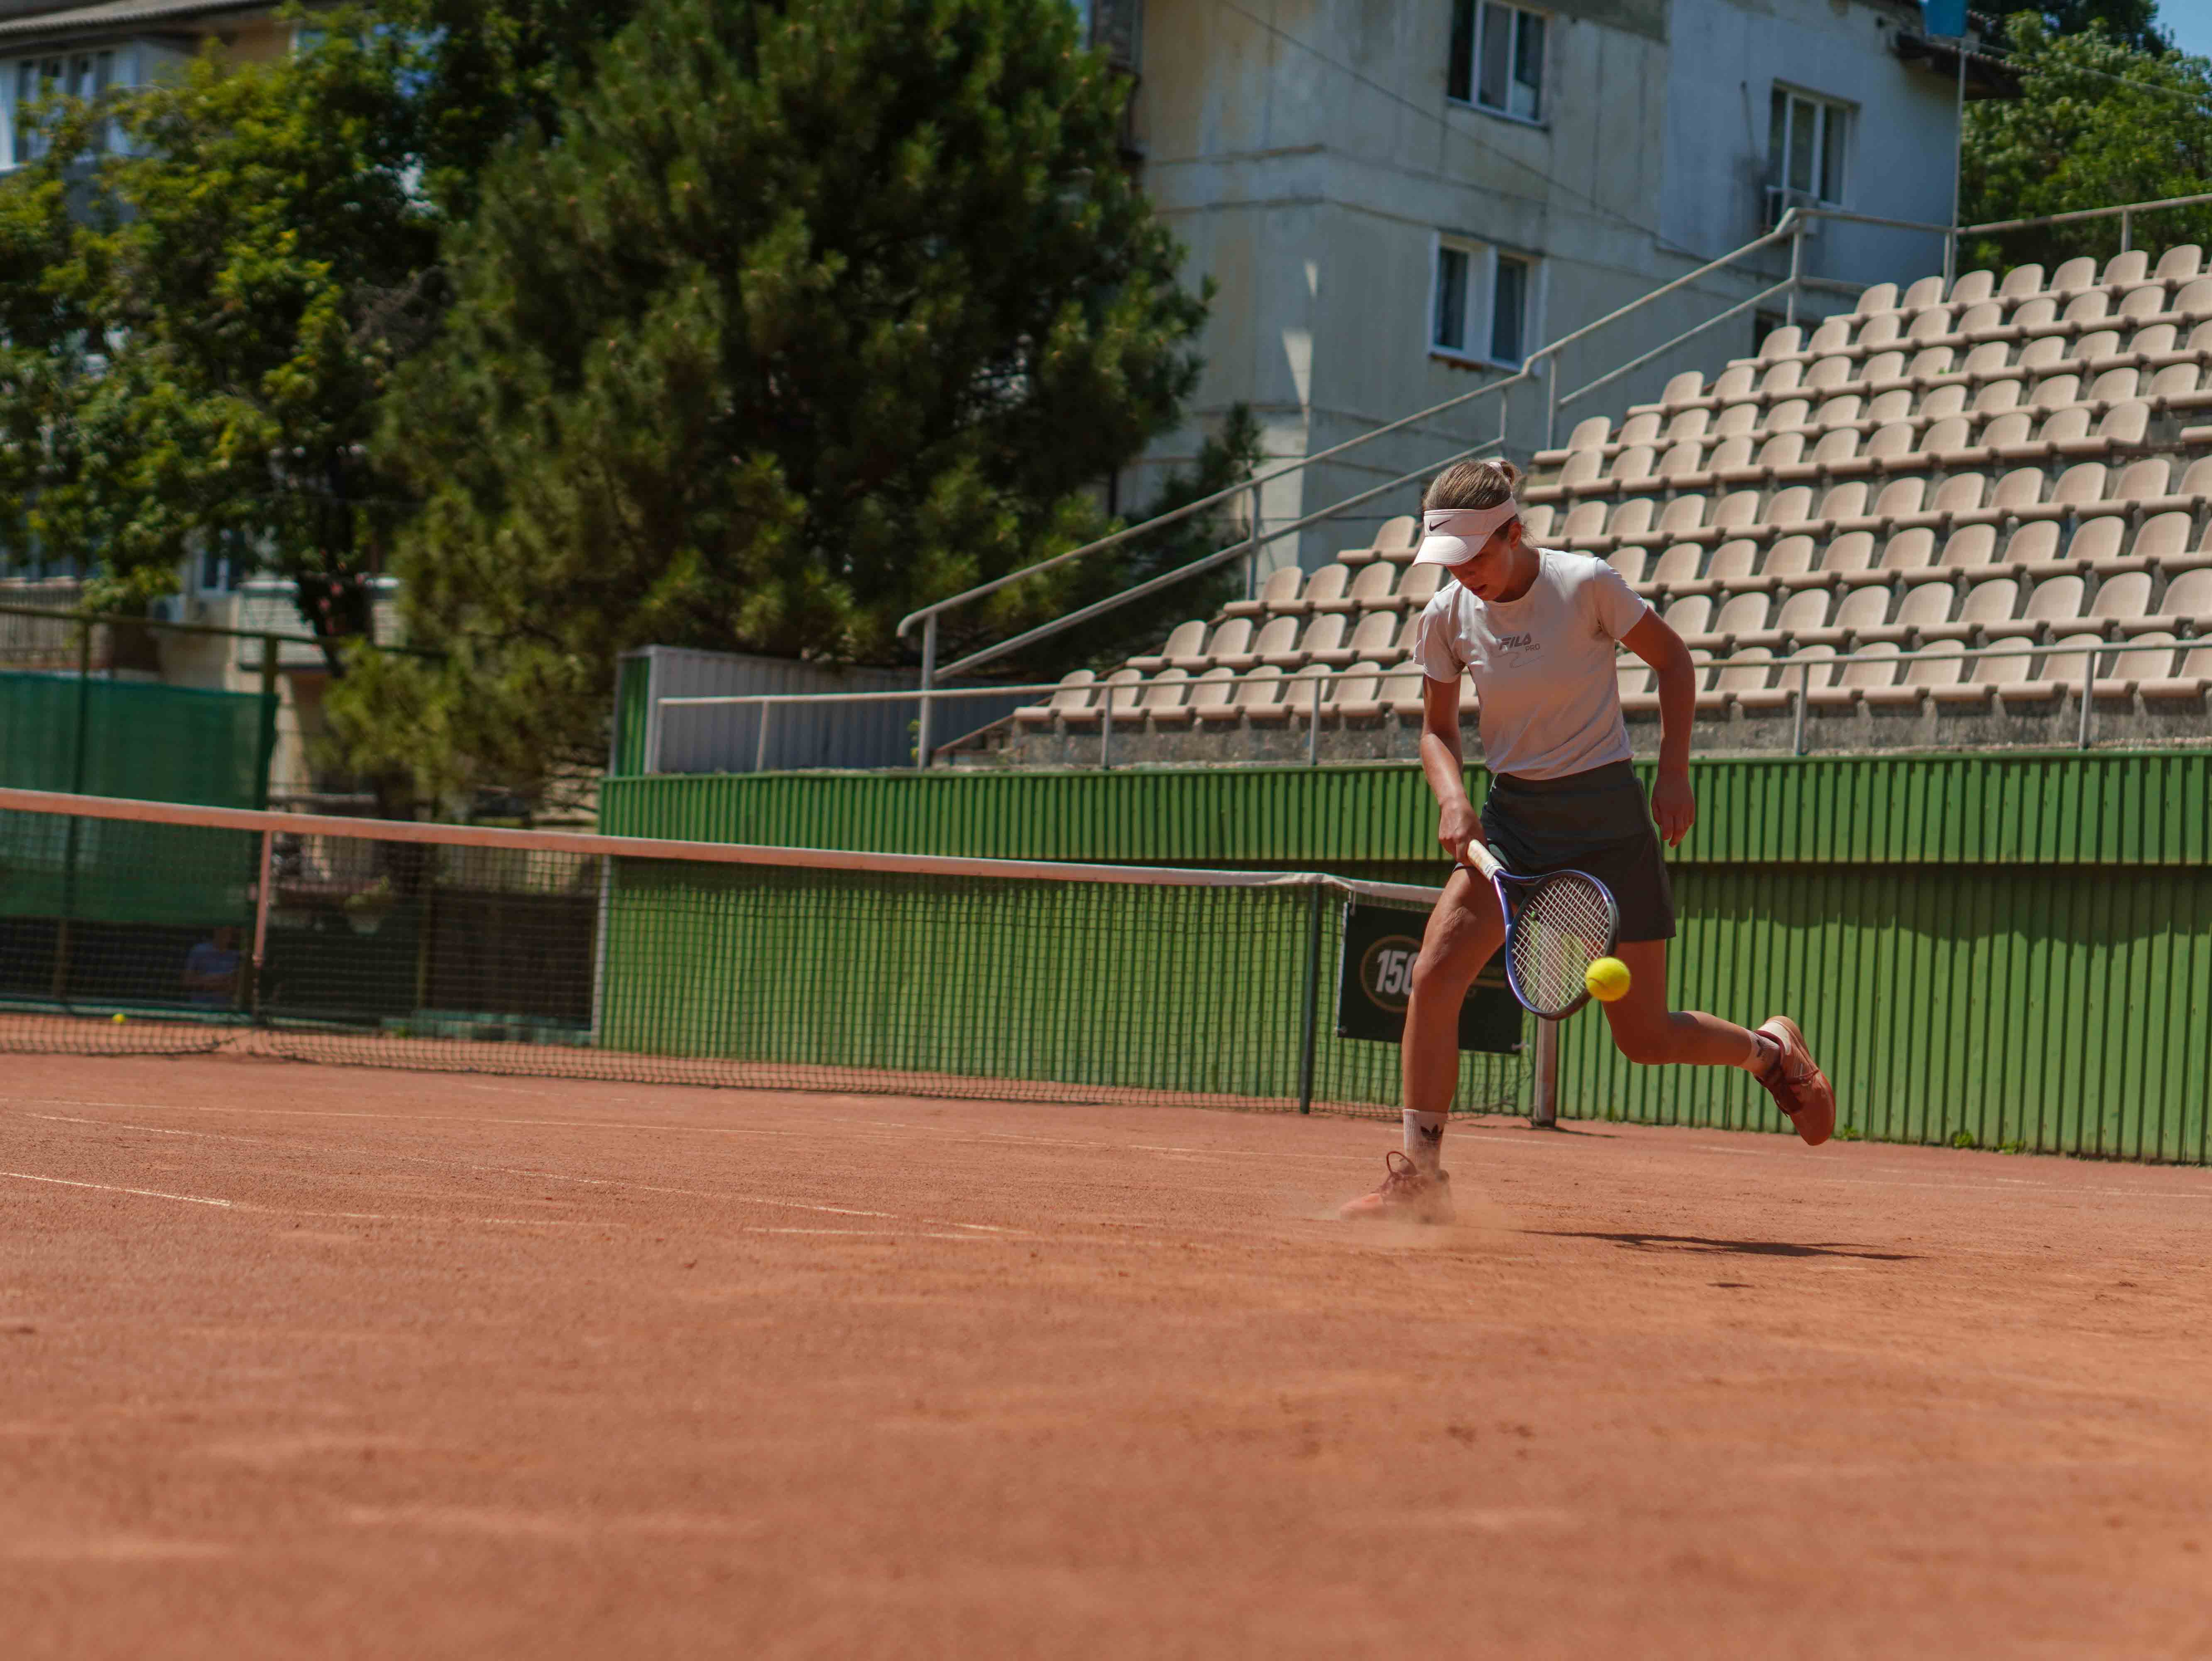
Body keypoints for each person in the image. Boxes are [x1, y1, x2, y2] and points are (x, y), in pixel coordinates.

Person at [1342, 459, 1833, 1223]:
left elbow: (1673, 661)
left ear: (1512, 532)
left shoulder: (1585, 584)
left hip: (1608, 824)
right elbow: (1437, 731)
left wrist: (1675, 773)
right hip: (1513, 826)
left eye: (1473, 555)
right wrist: (1453, 799)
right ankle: (1420, 1180)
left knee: (1644, 1038)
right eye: (1449, 561)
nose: (1462, 574)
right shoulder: (1446, 615)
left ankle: (1770, 1054)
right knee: (1434, 976)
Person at [182, 925, 243, 1007]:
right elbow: (187, 981)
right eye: (221, 930)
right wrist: (222, 980)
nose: (225, 934)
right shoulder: (199, 950)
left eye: (228, 932)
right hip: (199, 1006)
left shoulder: (236, 956)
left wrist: (206, 981)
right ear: (216, 930)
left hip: (225, 1007)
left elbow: (235, 986)